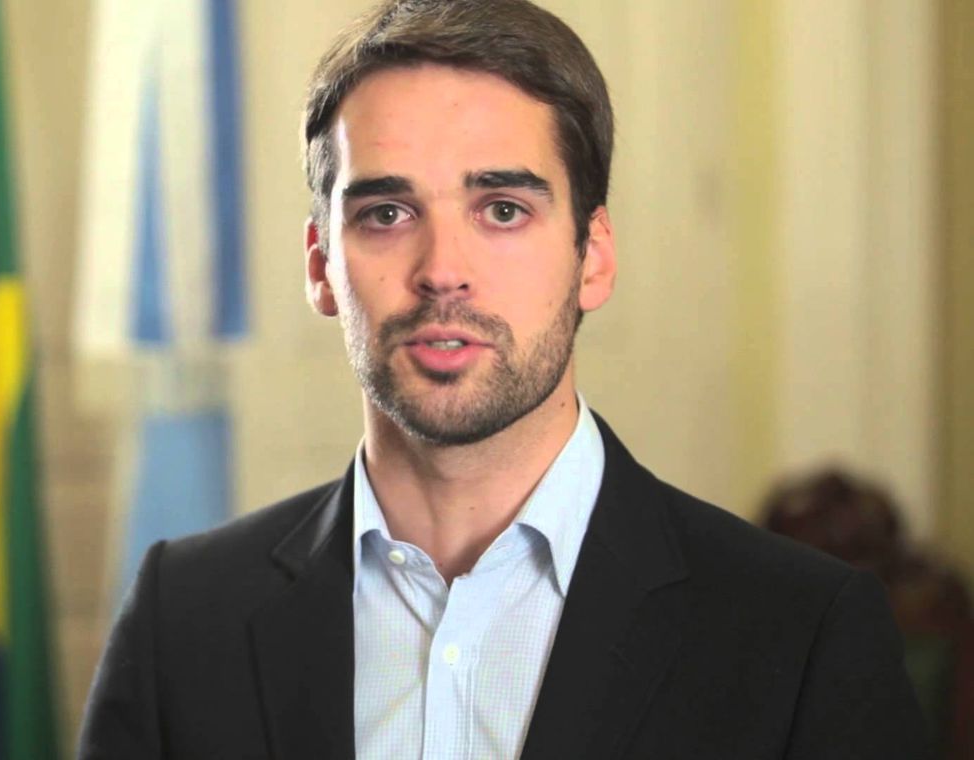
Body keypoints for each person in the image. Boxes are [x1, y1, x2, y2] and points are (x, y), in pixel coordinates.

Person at [78, 1, 929, 757]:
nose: (443, 270)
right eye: (386, 213)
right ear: (321, 267)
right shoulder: (179, 621)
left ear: (594, 257)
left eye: (503, 210)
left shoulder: (802, 634)